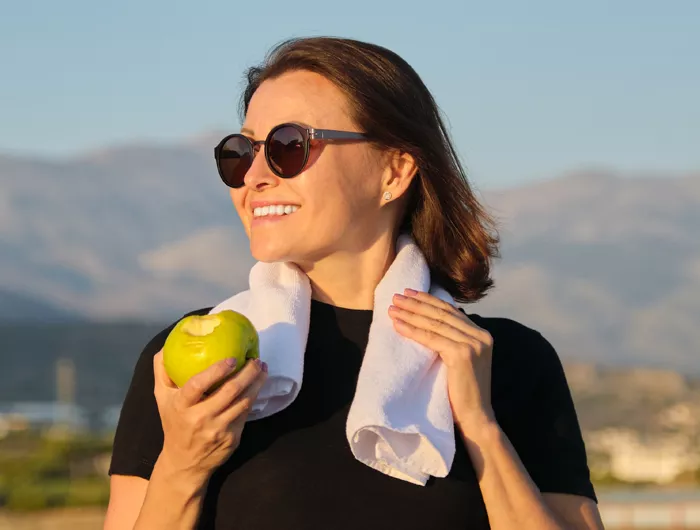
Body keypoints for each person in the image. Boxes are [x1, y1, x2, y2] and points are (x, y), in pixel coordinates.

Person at [104, 37, 605, 530]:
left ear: (395, 170)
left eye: (288, 146)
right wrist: (183, 463)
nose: (253, 175)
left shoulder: (502, 360)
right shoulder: (193, 365)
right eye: (240, 151)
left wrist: (479, 424)